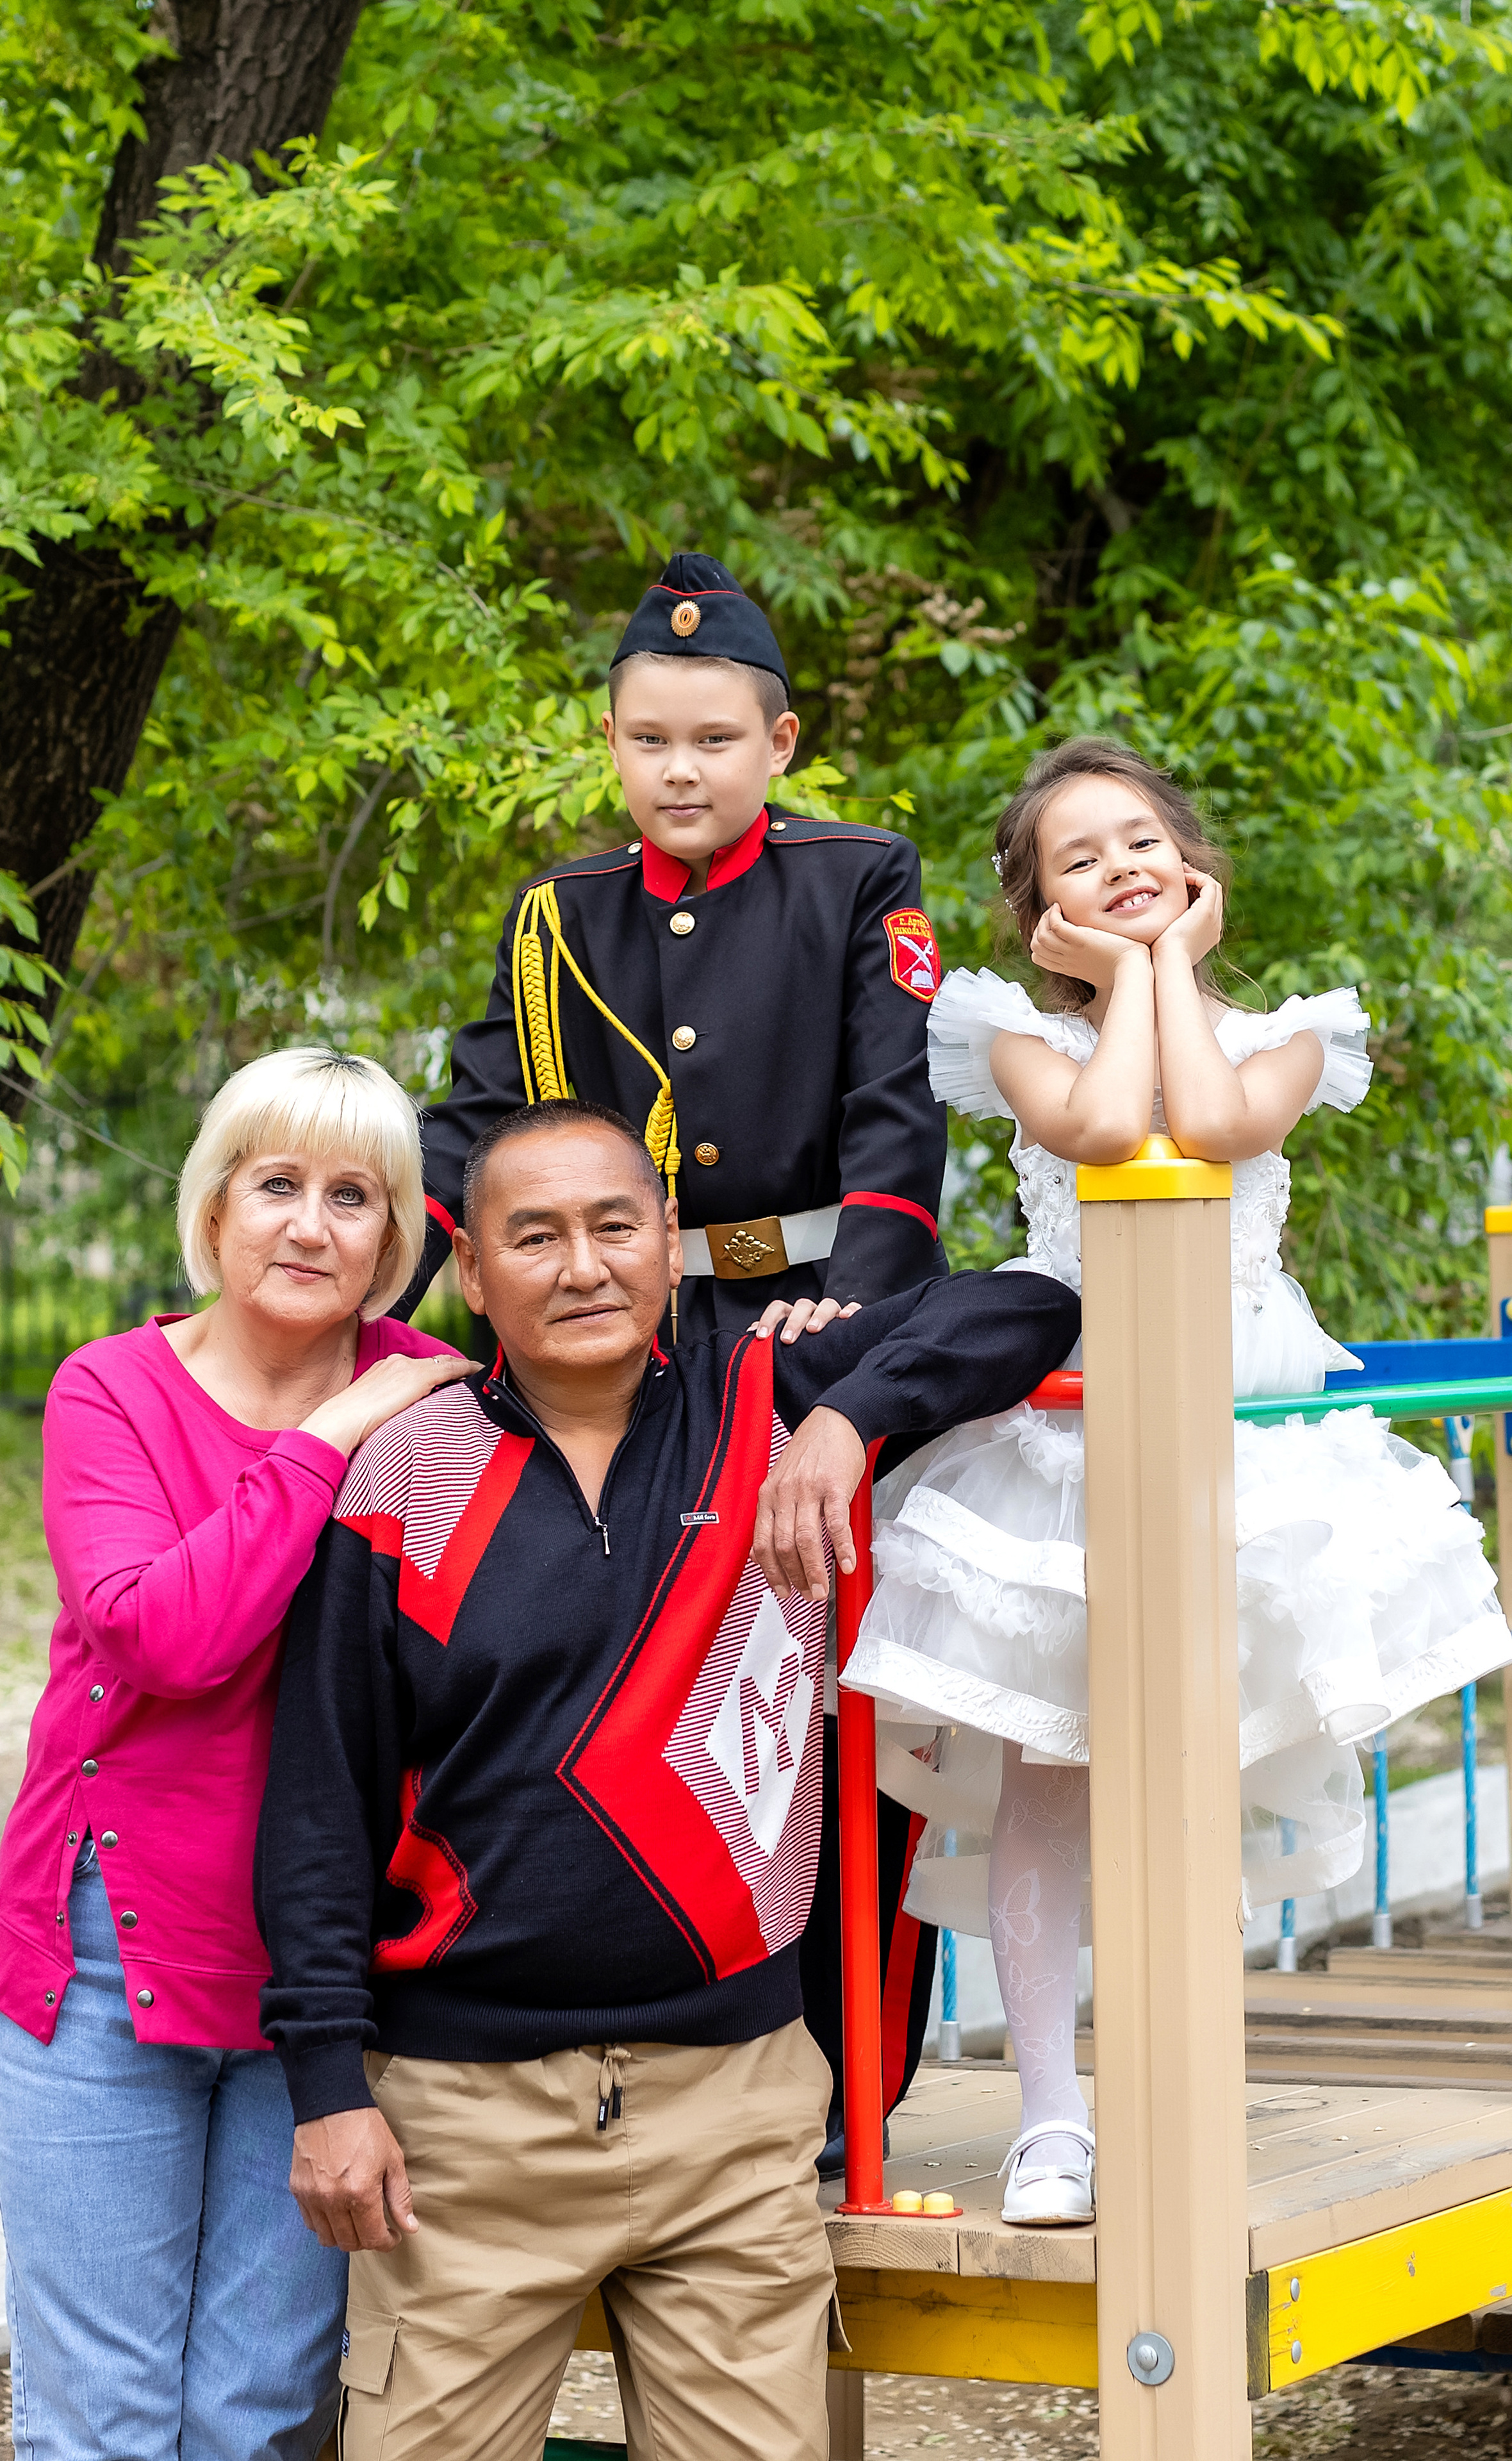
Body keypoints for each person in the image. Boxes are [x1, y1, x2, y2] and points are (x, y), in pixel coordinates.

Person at [255, 1097, 1078, 2461]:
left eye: (613, 1227)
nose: (581, 1266)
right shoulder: (402, 1475)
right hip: (464, 2130)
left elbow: (1026, 1306)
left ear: (668, 1243)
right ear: (472, 1272)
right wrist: (327, 2090)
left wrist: (847, 1421)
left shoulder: (767, 1395)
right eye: (534, 1237)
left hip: (733, 2103)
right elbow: (319, 1810)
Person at [839, 735, 1512, 2232]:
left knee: (1208, 1754)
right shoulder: (1013, 1028)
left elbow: (1208, 1129)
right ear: (1038, 916)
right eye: (1079, 859)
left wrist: (1168, 974)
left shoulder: (1283, 1032)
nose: (1120, 870)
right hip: (1068, 1443)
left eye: (1140, 841)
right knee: (1051, 1772)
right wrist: (1135, 978)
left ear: (1191, 863)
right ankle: (1048, 2114)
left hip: (1232, 1435)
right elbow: (1095, 1135)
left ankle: (1190, 2072)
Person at [393, 550, 951, 2151]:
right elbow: (478, 1125)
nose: (679, 768)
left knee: (819, 1714)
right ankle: (630, 2061)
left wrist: (852, 1322)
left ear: (777, 746)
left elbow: (890, 1135)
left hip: (803, 1330)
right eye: (649, 740)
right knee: (612, 1705)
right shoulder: (557, 917)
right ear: (613, 744)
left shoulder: (855, 880)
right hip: (609, 1350)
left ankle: (849, 2081)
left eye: (713, 738)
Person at [0, 1048, 473, 2461]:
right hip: (103, 1958)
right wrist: (327, 1437)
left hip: (320, 1968)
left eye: (353, 1196)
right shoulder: (112, 1391)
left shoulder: (438, 1401)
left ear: (395, 1236)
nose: (310, 1226)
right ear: (214, 1208)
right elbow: (163, 1641)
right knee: (104, 2422)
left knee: (261, 2415)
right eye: (277, 1186)